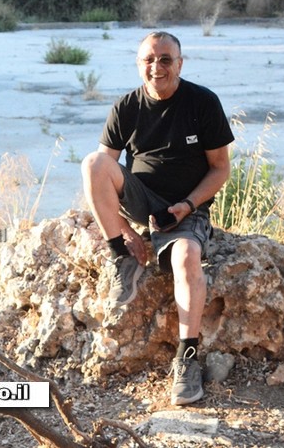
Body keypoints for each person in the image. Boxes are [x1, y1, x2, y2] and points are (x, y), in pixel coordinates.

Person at [80, 31, 234, 406]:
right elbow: (101, 176)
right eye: (149, 59)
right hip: (142, 202)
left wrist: (188, 204)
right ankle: (121, 259)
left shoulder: (202, 102)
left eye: (165, 59)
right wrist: (124, 232)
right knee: (93, 162)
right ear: (139, 65)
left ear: (180, 63)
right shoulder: (126, 106)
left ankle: (187, 360)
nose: (157, 67)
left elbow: (220, 169)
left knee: (187, 258)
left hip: (186, 208)